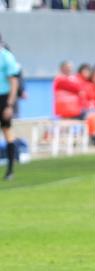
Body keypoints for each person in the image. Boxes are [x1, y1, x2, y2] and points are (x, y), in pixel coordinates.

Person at [0, 34, 20, 180]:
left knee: (7, 131)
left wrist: (10, 104)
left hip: (3, 98)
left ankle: (10, 170)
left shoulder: (6, 57)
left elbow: (14, 81)